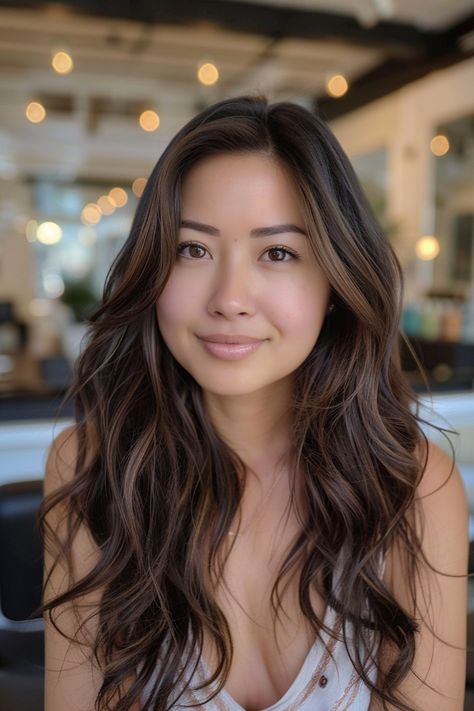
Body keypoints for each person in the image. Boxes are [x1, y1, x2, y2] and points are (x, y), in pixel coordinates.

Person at [38, 95, 469, 711]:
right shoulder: (93, 467)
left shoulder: (414, 490)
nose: (230, 298)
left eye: (278, 253)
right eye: (193, 249)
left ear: (336, 285)